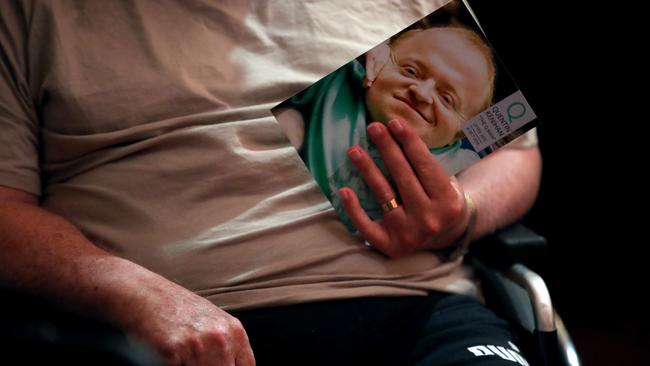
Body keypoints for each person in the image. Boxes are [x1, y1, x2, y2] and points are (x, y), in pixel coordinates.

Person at [0, 0, 542, 365]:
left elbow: (517, 154)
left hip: (420, 310)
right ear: (376, 70)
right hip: (167, 332)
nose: (424, 96)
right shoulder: (29, 14)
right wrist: (130, 291)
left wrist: (464, 211)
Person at [275, 19, 496, 230]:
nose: (421, 93)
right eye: (411, 71)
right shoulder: (339, 82)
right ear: (378, 62)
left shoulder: (460, 165)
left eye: (447, 99)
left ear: (460, 133)